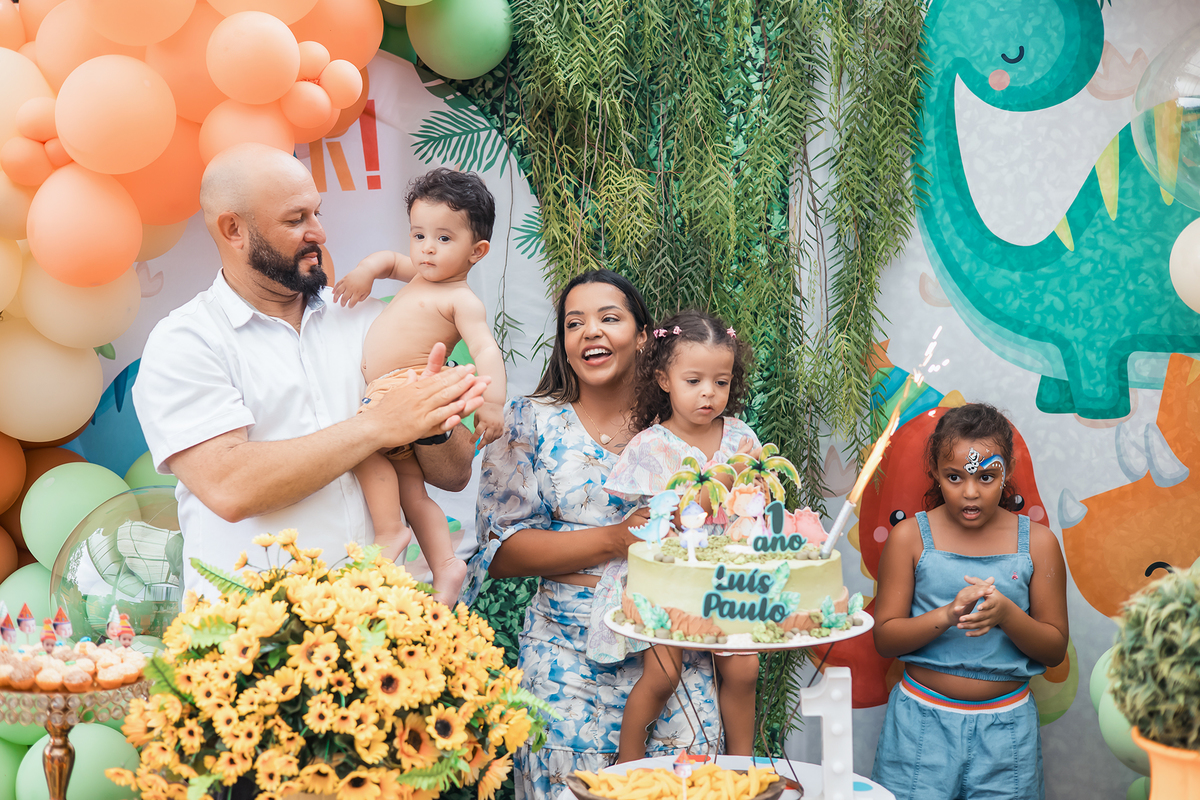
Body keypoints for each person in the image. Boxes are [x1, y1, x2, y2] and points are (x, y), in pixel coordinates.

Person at [132, 143, 487, 597]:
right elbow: (230, 486)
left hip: (384, 621)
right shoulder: (186, 340)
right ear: (234, 230)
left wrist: (431, 422)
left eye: (317, 213)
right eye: (295, 219)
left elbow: (454, 474)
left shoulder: (371, 320)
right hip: (257, 629)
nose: (318, 232)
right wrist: (379, 424)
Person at [461, 271, 723, 800]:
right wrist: (616, 539)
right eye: (574, 323)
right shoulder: (529, 420)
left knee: (688, 785)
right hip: (565, 655)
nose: (590, 332)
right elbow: (500, 551)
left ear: (643, 337)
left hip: (673, 649)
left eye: (609, 318)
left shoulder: (687, 419)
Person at [871, 403, 1069, 800]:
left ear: (1008, 470)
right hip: (919, 730)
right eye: (954, 477)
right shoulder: (909, 538)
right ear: (934, 471)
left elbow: (1054, 650)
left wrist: (1007, 614)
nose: (971, 492)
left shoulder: (1039, 544)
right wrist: (947, 614)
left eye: (986, 476)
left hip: (1007, 736)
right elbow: (885, 639)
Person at [333, 168, 506, 603]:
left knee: (361, 447)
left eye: (444, 238)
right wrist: (365, 272)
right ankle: (445, 564)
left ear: (477, 251)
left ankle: (390, 531)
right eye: (419, 235)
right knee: (412, 490)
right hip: (399, 395)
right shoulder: (423, 273)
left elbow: (485, 349)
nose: (427, 247)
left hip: (399, 390)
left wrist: (492, 403)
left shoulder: (460, 299)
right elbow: (389, 261)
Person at [602, 309, 761, 762]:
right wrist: (726, 480)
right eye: (694, 381)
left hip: (725, 576)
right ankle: (628, 760)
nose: (708, 392)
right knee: (664, 674)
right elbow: (668, 519)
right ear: (664, 380)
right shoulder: (652, 446)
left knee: (744, 669)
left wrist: (755, 488)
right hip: (670, 577)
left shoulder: (740, 436)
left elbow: (755, 500)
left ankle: (741, 763)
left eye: (721, 382)